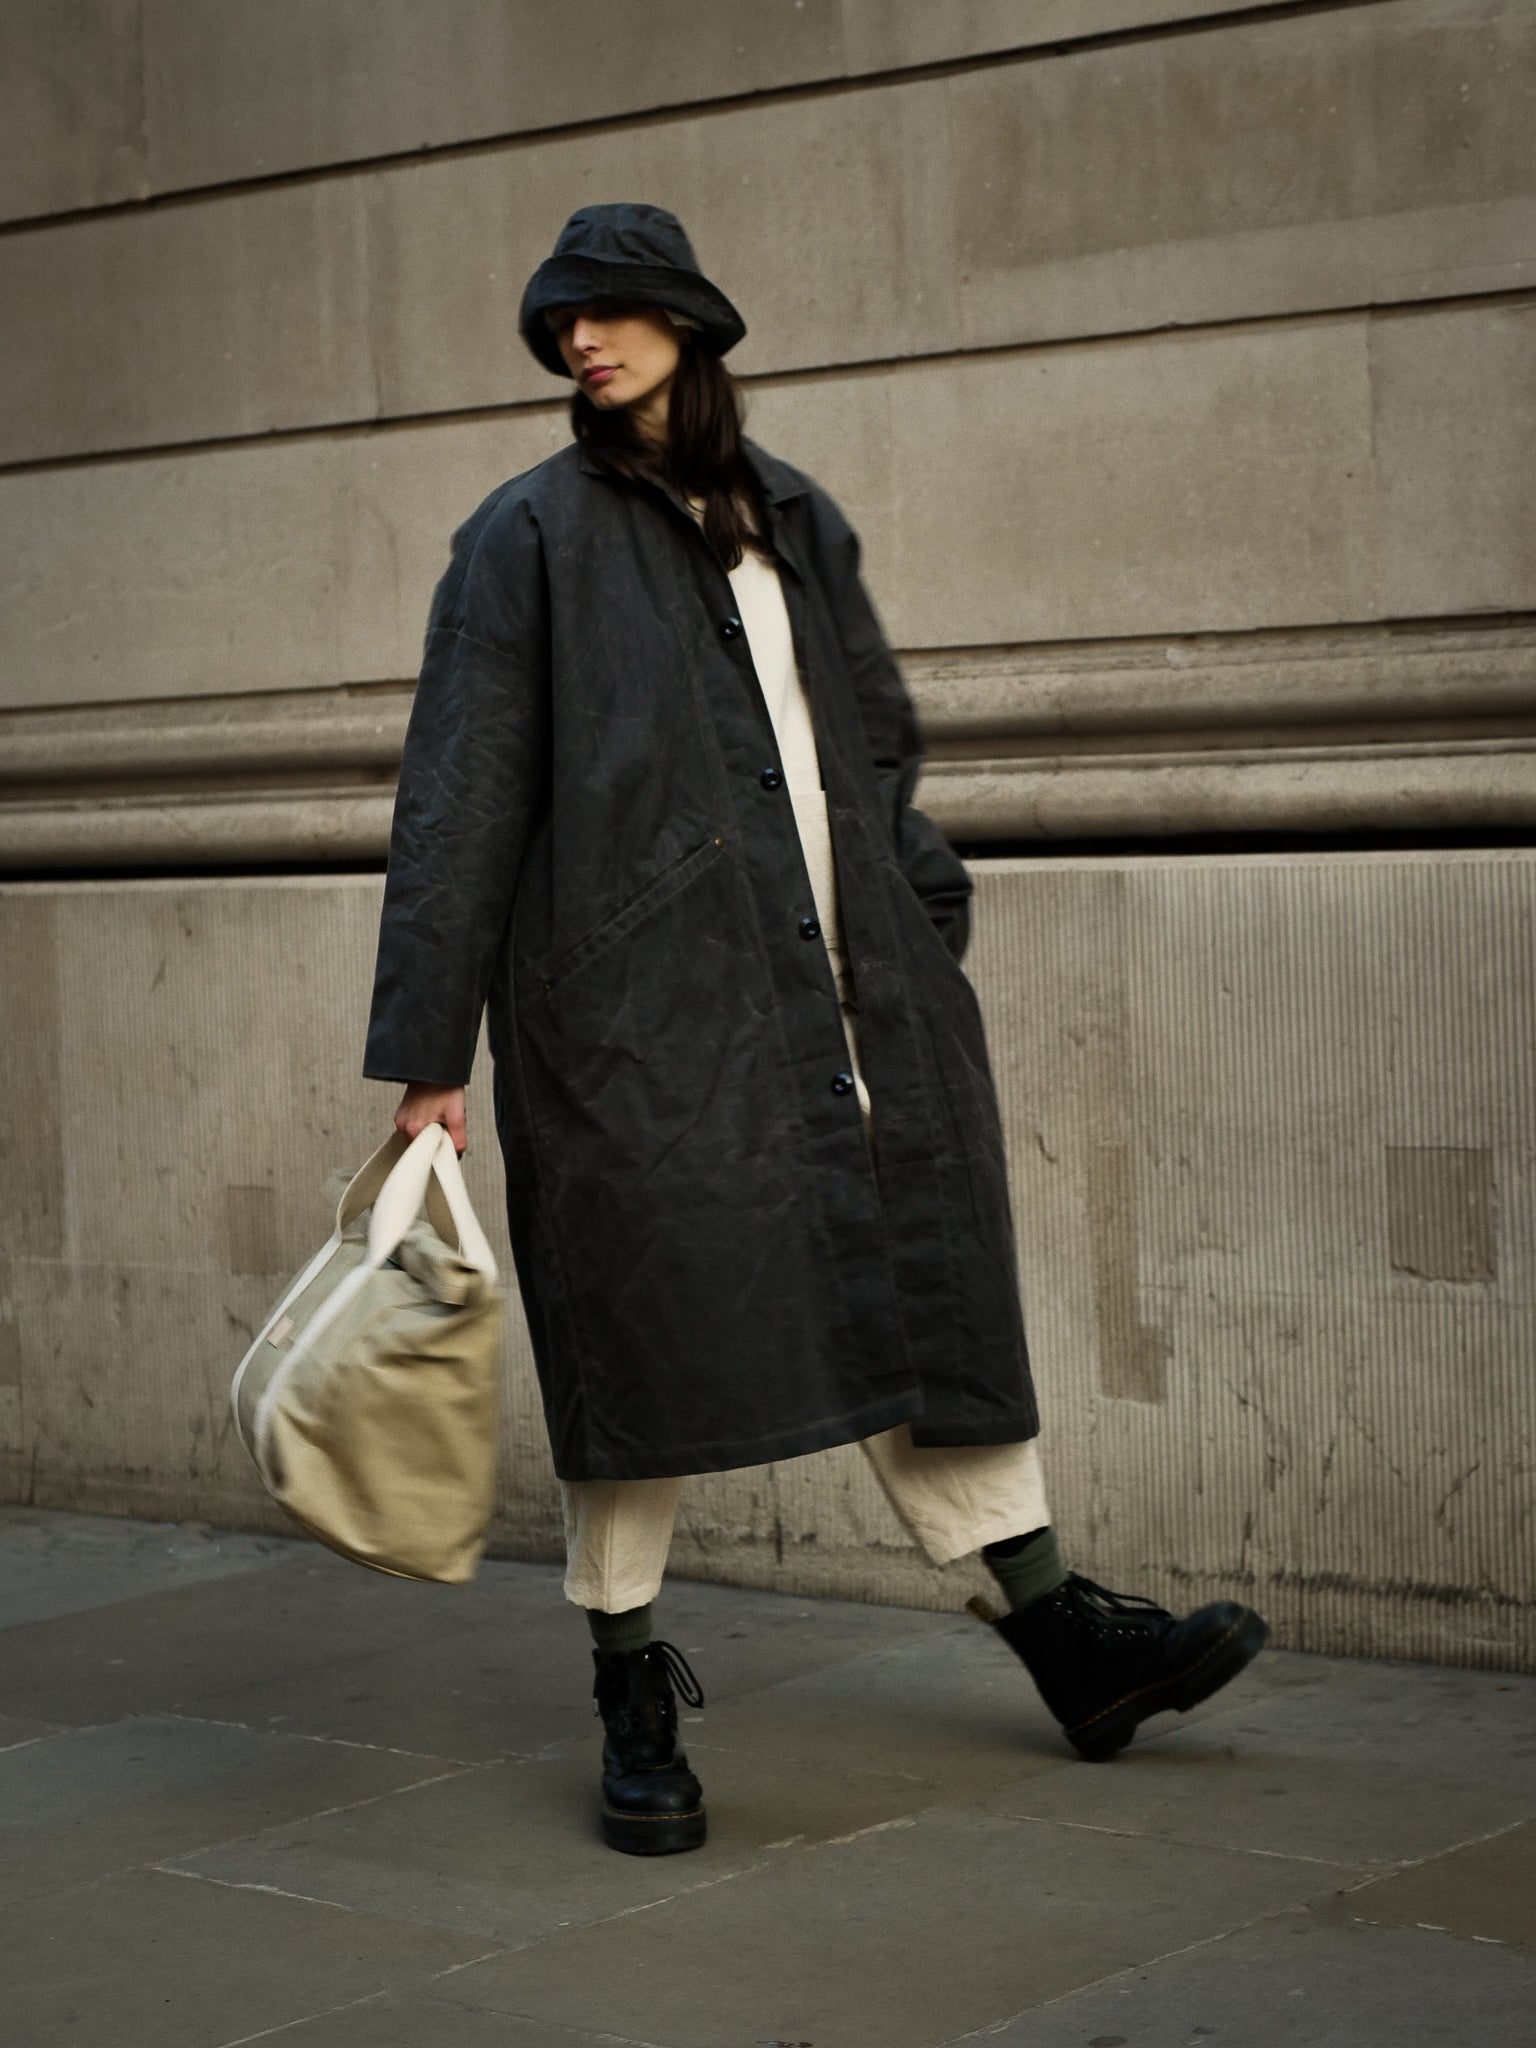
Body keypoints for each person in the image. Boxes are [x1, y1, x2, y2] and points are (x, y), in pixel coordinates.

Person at [364, 203, 1267, 1857]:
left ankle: (1064, 1634)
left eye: (607, 312)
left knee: (909, 1292)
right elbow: (460, 796)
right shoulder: (528, 536)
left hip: (856, 994)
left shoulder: (790, 519)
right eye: (561, 326)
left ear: (689, 324)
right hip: (636, 1017)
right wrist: (432, 1056)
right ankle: (632, 1688)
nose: (580, 343)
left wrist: (925, 929)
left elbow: (876, 749)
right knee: (642, 1332)